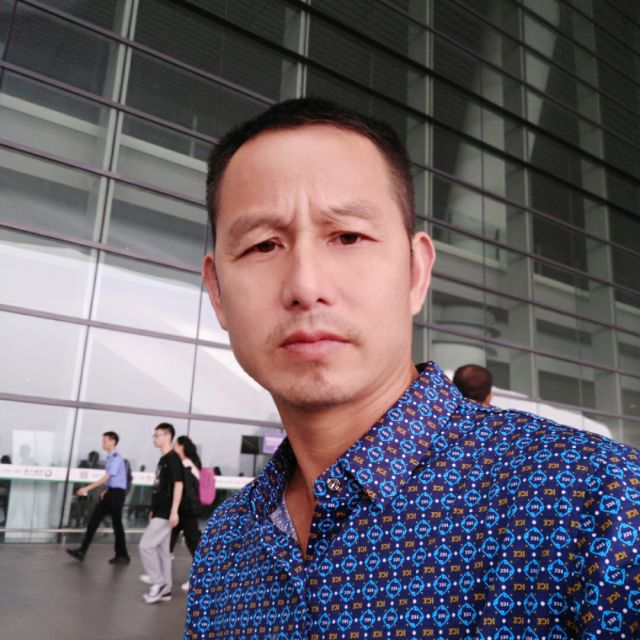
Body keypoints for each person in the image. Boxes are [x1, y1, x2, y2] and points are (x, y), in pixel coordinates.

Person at [184, 98, 640, 638]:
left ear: (416, 272)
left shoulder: (599, 505)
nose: (305, 285)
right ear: (217, 291)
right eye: (264, 245)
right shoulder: (224, 547)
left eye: (348, 236)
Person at [66, 431, 130, 564]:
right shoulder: (110, 457)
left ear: (113, 441)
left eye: (105, 440)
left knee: (117, 525)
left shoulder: (116, 457)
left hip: (117, 495)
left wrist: (86, 488)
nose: (103, 443)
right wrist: (106, 490)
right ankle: (82, 551)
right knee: (93, 522)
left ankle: (122, 555)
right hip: (111, 493)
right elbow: (113, 478)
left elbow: (107, 477)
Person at [139, 422, 183, 604]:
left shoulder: (173, 459)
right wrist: (153, 509)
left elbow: (178, 485)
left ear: (168, 436)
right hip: (160, 510)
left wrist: (174, 511)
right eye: (154, 435)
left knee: (145, 546)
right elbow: (160, 487)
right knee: (162, 551)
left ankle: (157, 582)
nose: (154, 438)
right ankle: (165, 590)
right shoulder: (163, 459)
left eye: (157, 435)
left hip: (166, 512)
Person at [169, 435, 202, 591]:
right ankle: (160, 576)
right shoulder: (189, 464)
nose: (174, 447)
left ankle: (199, 578)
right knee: (167, 541)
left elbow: (185, 490)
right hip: (183, 510)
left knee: (194, 545)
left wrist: (174, 509)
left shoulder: (186, 464)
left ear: (182, 446)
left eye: (176, 444)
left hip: (187, 510)